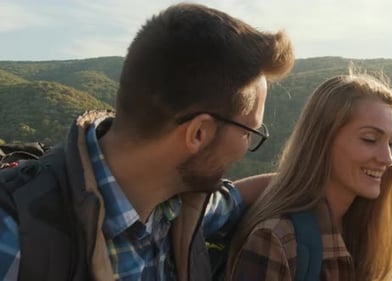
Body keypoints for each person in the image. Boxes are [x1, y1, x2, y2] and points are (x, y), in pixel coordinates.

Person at [0, 3, 294, 281]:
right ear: (199, 133)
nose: (246, 147)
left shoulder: (176, 209)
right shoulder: (16, 239)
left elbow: (236, 199)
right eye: (249, 132)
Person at [227, 68, 392, 281]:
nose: (388, 158)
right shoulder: (278, 239)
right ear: (322, 141)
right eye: (370, 139)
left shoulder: (366, 234)